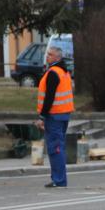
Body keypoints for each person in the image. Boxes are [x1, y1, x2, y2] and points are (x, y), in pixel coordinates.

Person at [34, 46, 74, 188]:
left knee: (55, 148)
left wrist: (42, 117)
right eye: (47, 54)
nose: (47, 57)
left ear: (57, 58)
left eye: (50, 55)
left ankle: (59, 180)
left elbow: (49, 98)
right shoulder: (65, 72)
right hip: (64, 114)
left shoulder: (53, 73)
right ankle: (58, 178)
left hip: (54, 115)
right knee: (58, 146)